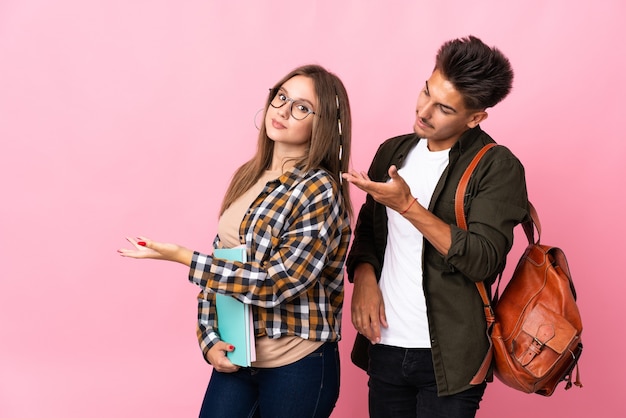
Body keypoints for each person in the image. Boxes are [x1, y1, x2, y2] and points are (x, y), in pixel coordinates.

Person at [118, 64, 352, 418]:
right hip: (239, 356)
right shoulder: (249, 175)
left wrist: (183, 257)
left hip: (298, 365)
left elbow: (279, 282)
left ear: (323, 123)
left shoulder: (318, 189)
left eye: (302, 107)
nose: (284, 111)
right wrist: (209, 338)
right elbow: (223, 262)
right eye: (281, 97)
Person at [342, 36, 529, 418]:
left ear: (475, 118)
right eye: (426, 92)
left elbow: (483, 260)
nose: (424, 111)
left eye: (443, 108)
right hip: (385, 344)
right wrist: (363, 277)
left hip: (451, 358)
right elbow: (370, 232)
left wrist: (409, 206)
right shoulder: (393, 151)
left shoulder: (497, 166)